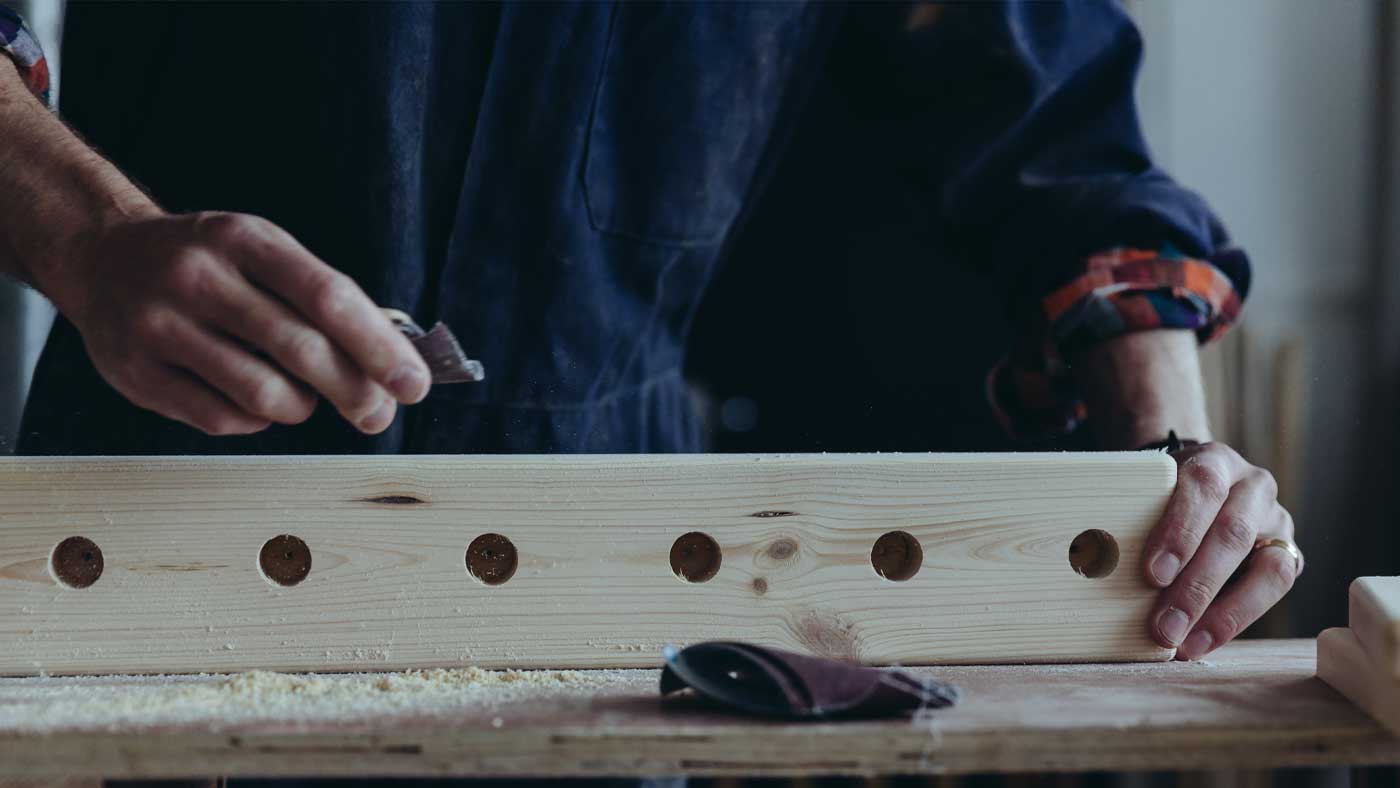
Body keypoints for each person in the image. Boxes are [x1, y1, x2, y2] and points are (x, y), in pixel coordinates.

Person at [0, 1, 1299, 662]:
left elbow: (1057, 129)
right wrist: (87, 237)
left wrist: (1171, 458)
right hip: (144, 502)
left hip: (619, 553)